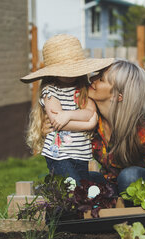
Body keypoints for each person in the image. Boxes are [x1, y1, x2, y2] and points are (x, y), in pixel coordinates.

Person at [47, 59, 145, 219]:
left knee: (129, 176)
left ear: (118, 96)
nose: (92, 79)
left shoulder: (138, 125)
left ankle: (140, 219)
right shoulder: (93, 122)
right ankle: (106, 216)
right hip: (115, 188)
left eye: (101, 79)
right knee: (85, 180)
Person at [21, 34, 114, 185]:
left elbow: (89, 112)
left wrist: (68, 115)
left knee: (82, 190)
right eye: (64, 70)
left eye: (73, 70)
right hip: (59, 155)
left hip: (81, 153)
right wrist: (88, 125)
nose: (70, 75)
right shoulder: (50, 90)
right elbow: (57, 121)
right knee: (73, 188)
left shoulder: (83, 88)